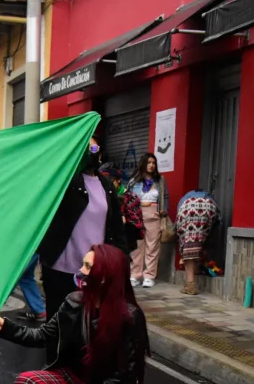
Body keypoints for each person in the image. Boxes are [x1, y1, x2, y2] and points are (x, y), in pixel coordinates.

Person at [0, 244, 149, 384]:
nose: (81, 271)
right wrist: (6, 328)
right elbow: (44, 335)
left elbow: (122, 377)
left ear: (106, 275)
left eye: (88, 267)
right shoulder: (74, 301)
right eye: (82, 264)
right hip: (74, 377)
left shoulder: (129, 317)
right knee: (26, 383)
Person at [37, 136, 126, 319]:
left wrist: (122, 263)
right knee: (58, 328)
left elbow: (116, 229)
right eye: (85, 149)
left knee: (88, 326)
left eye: (94, 149)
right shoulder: (64, 181)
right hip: (60, 270)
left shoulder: (106, 186)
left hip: (94, 272)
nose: (90, 154)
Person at [127, 153, 169, 288]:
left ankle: (149, 276)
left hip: (154, 215)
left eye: (153, 163)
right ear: (143, 164)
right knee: (137, 247)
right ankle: (135, 274)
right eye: (149, 162)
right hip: (137, 215)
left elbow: (165, 196)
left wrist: (164, 210)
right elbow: (128, 198)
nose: (151, 165)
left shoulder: (160, 180)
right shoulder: (134, 181)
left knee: (153, 246)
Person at [175, 190, 220, 296]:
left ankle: (190, 285)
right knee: (199, 239)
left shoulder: (184, 199)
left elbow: (181, 234)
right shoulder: (207, 196)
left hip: (187, 209)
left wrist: (183, 249)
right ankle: (197, 268)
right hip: (210, 207)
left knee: (188, 246)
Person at [100, 166, 144, 258]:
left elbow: (137, 225)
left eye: (111, 180)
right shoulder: (102, 196)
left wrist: (122, 221)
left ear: (118, 180)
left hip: (123, 244)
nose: (107, 184)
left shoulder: (131, 197)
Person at [16, 256, 46, 322]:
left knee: (13, 274)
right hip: (33, 249)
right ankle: (38, 310)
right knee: (26, 276)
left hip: (23, 249)